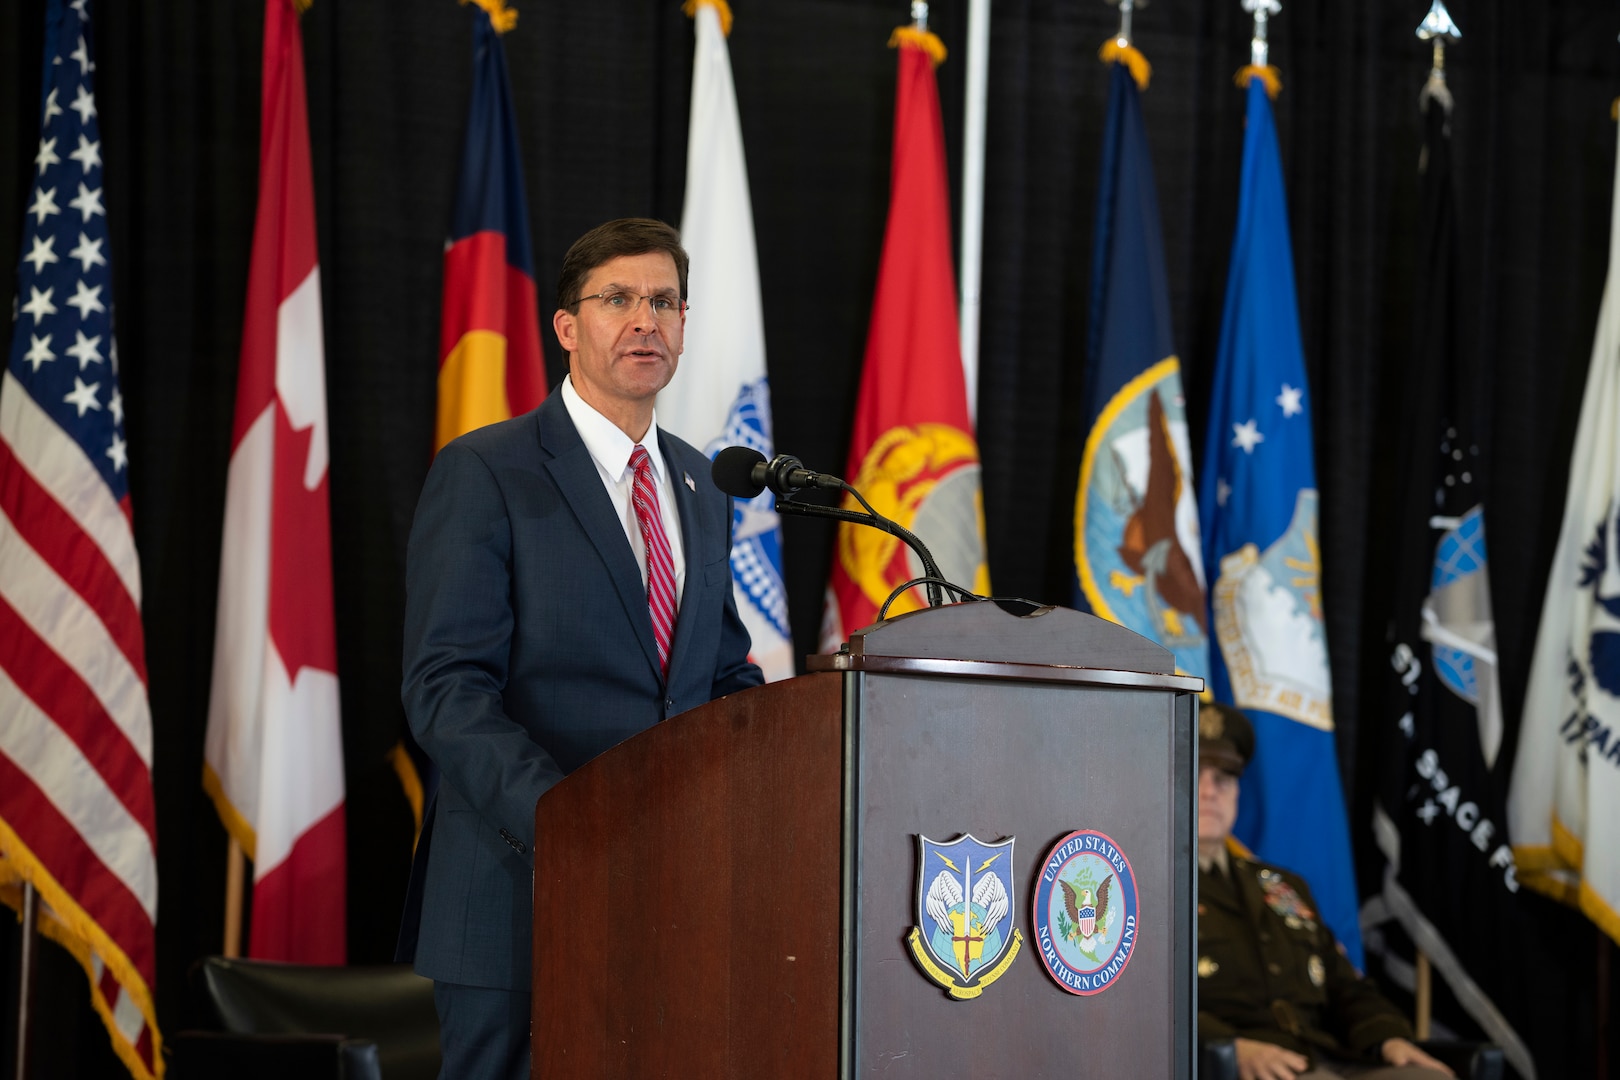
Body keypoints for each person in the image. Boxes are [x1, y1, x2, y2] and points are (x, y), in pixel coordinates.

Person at [397, 217, 764, 1079]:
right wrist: (569, 824)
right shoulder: (488, 471)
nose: (646, 320)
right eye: (620, 299)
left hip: (670, 898)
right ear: (568, 328)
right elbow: (447, 687)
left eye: (664, 301)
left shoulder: (702, 485)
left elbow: (720, 674)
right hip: (517, 898)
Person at [1197, 703, 1454, 1080]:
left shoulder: (1282, 886)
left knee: (1428, 1077)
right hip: (1238, 1065)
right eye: (1193, 775)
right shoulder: (1144, 891)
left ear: (1238, 792)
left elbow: (1343, 984)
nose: (1209, 793)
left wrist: (1387, 1038)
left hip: (1321, 1056)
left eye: (1223, 779)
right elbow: (1144, 1006)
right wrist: (1227, 1048)